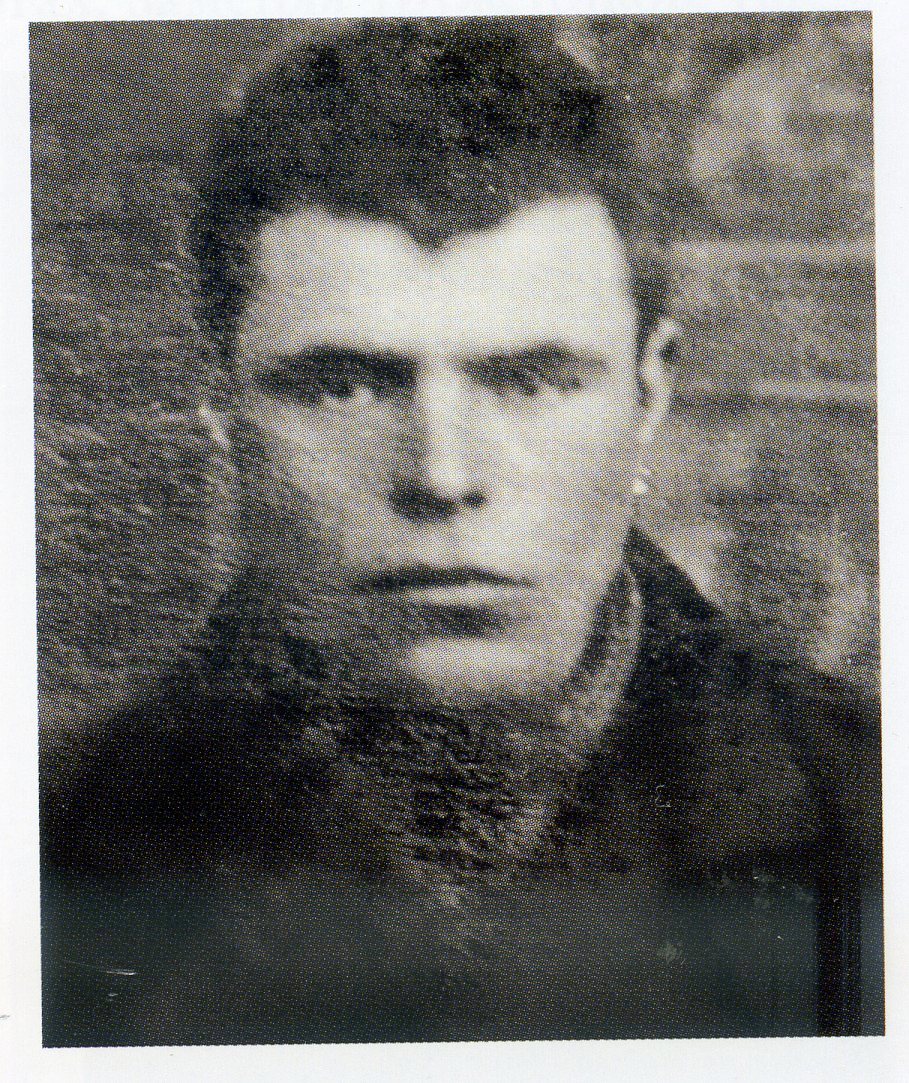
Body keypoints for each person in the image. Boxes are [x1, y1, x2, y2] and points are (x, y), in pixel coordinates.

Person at [40, 18, 882, 1045]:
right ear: (223, 410)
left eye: (530, 381)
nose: (443, 476)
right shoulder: (47, 834)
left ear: (649, 393)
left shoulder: (873, 813)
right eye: (344, 385)